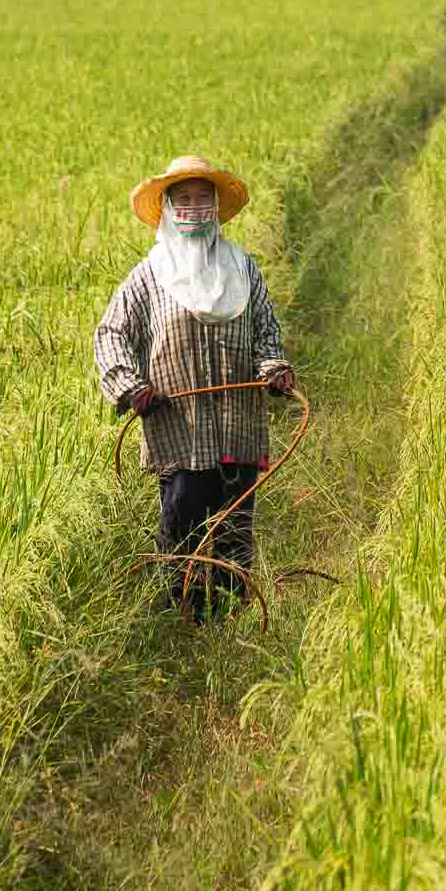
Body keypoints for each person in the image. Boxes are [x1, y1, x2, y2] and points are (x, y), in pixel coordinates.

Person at [94, 156, 295, 622]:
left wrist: (275, 369)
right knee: (183, 520)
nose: (193, 209)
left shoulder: (242, 268)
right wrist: (131, 387)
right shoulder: (149, 275)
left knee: (235, 528)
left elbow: (266, 333)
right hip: (178, 431)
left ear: (215, 208)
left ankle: (231, 623)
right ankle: (180, 619)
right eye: (182, 200)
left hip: (238, 427)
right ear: (167, 209)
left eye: (202, 199)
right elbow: (111, 335)